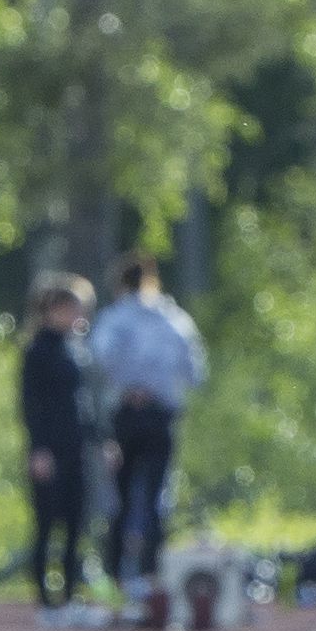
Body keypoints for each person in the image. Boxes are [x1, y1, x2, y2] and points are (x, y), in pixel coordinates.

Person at [90, 253, 207, 611]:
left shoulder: (114, 318)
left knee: (119, 499)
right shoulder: (174, 319)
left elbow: (97, 359)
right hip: (160, 415)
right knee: (156, 498)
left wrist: (127, 385)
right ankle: (152, 576)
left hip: (124, 415)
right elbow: (196, 372)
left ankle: (115, 579)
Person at [19, 273, 98, 619]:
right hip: (49, 448)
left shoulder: (76, 348)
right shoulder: (37, 350)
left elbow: (85, 401)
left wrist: (101, 438)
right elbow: (31, 403)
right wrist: (38, 448)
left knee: (75, 522)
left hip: (76, 445)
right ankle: (44, 595)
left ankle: (68, 591)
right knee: (47, 523)